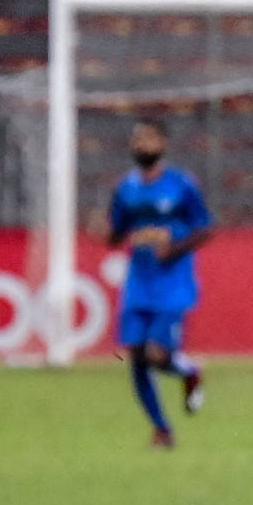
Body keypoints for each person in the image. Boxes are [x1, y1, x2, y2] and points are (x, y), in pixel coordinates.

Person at [108, 117, 211, 448]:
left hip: (172, 283)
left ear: (162, 145)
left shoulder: (181, 185)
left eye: (150, 139)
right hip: (139, 282)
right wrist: (105, 233)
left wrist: (174, 250)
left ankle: (189, 371)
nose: (144, 145)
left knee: (155, 354)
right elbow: (117, 232)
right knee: (135, 355)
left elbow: (205, 227)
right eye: (139, 139)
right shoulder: (125, 188)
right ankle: (161, 429)